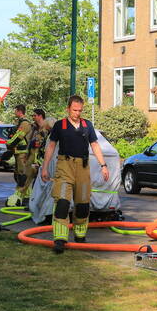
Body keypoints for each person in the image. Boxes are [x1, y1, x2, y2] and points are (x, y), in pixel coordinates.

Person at [41, 95, 109, 254]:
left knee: (83, 204)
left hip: (83, 168)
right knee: (63, 203)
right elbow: (51, 147)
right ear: (68, 109)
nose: (77, 113)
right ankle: (60, 239)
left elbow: (95, 145)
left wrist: (103, 165)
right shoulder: (60, 125)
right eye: (74, 110)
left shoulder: (87, 125)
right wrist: (45, 168)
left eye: (79, 110)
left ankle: (80, 236)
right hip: (65, 166)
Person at [5, 104, 34, 207]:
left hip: (23, 152)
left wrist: (9, 143)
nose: (14, 112)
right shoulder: (20, 122)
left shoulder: (25, 123)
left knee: (23, 175)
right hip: (18, 152)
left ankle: (25, 196)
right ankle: (23, 195)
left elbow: (19, 136)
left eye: (15, 110)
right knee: (18, 175)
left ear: (19, 111)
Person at [24, 108, 50, 202]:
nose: (33, 117)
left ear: (40, 116)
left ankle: (38, 200)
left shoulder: (47, 128)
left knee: (40, 180)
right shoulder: (34, 128)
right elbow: (29, 142)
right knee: (27, 177)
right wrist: (26, 155)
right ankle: (28, 198)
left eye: (35, 115)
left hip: (42, 158)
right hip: (32, 156)